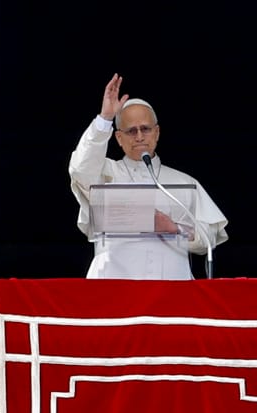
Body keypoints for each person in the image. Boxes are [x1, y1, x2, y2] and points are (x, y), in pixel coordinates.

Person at [69, 73, 228, 279]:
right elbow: (80, 169)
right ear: (118, 137)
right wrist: (105, 119)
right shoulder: (105, 174)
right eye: (131, 131)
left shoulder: (184, 182)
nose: (139, 136)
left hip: (171, 288)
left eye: (145, 129)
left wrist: (174, 228)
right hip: (113, 286)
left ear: (157, 132)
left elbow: (210, 237)